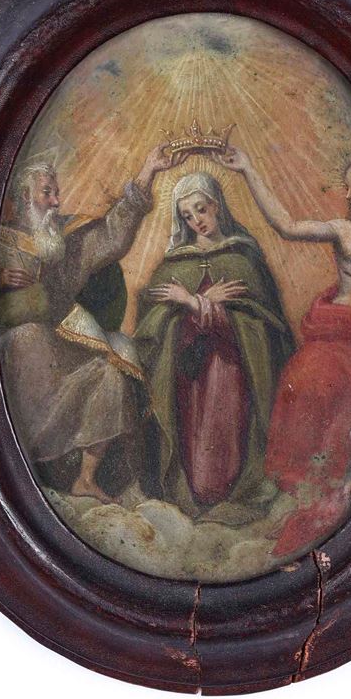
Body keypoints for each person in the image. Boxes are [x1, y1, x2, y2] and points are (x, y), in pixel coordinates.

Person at [216, 147, 351, 555]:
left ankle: (343, 485)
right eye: (348, 188)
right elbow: (287, 226)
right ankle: (294, 486)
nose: (349, 196)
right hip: (337, 336)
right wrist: (248, 168)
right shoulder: (343, 231)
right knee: (304, 380)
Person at [0, 145, 173, 502]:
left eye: (56, 192)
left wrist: (148, 171)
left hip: (64, 343)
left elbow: (110, 235)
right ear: (25, 197)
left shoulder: (64, 240)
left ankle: (86, 478)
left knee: (111, 373)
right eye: (47, 192)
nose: (56, 201)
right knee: (25, 339)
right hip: (21, 356)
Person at [134, 172, 294, 524]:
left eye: (201, 209)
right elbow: (154, 324)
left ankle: (233, 495)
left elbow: (261, 327)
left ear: (216, 205)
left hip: (232, 368)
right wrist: (200, 304)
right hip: (188, 372)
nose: (196, 221)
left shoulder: (243, 257)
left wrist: (194, 302)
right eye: (187, 215)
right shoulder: (175, 263)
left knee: (225, 440)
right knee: (193, 440)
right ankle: (191, 497)